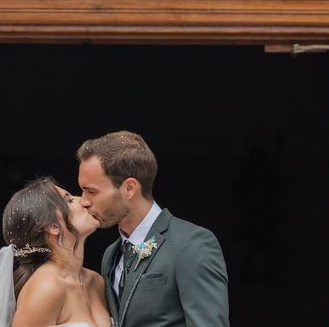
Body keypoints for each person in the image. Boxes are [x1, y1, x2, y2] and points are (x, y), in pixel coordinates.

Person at [77, 131, 229, 327]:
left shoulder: (192, 244)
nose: (83, 201)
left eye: (91, 191)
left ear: (129, 188)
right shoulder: (110, 255)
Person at [0, 177, 111, 327]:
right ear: (53, 227)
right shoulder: (46, 288)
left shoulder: (96, 281)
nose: (83, 200)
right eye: (69, 201)